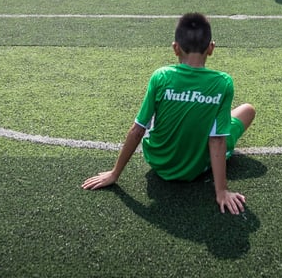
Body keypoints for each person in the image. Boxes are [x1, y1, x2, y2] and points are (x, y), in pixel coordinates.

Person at [81, 13, 257, 214]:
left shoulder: (161, 76)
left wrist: (114, 174)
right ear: (211, 48)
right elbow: (217, 141)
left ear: (175, 48)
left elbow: (138, 130)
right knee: (247, 110)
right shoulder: (223, 82)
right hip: (195, 169)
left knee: (158, 115)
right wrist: (221, 191)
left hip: (158, 162)